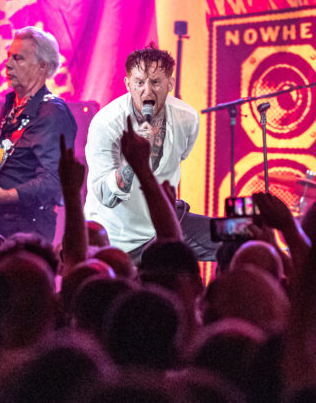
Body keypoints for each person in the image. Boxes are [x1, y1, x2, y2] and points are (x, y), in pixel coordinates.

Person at [84, 44, 217, 262]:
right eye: (139, 83)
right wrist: (133, 161)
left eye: (155, 82)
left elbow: (181, 156)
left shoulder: (187, 118)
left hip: (164, 223)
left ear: (170, 84)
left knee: (234, 240)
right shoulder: (107, 123)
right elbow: (106, 197)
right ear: (128, 84)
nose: (147, 91)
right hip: (117, 236)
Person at [0, 27, 77, 241]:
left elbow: (54, 181)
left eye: (18, 58)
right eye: (9, 56)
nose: (8, 64)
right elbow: (7, 166)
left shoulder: (52, 112)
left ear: (42, 66)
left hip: (28, 230)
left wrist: (3, 196)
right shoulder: (12, 105)